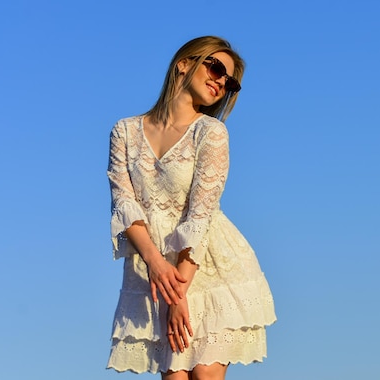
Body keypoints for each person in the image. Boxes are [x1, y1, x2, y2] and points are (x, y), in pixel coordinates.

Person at [106, 36, 276, 380]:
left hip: (207, 268)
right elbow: (125, 206)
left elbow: (201, 214)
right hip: (156, 274)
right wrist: (156, 265)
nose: (220, 82)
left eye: (229, 81)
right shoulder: (123, 131)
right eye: (215, 68)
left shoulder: (210, 132)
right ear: (183, 64)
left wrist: (178, 291)